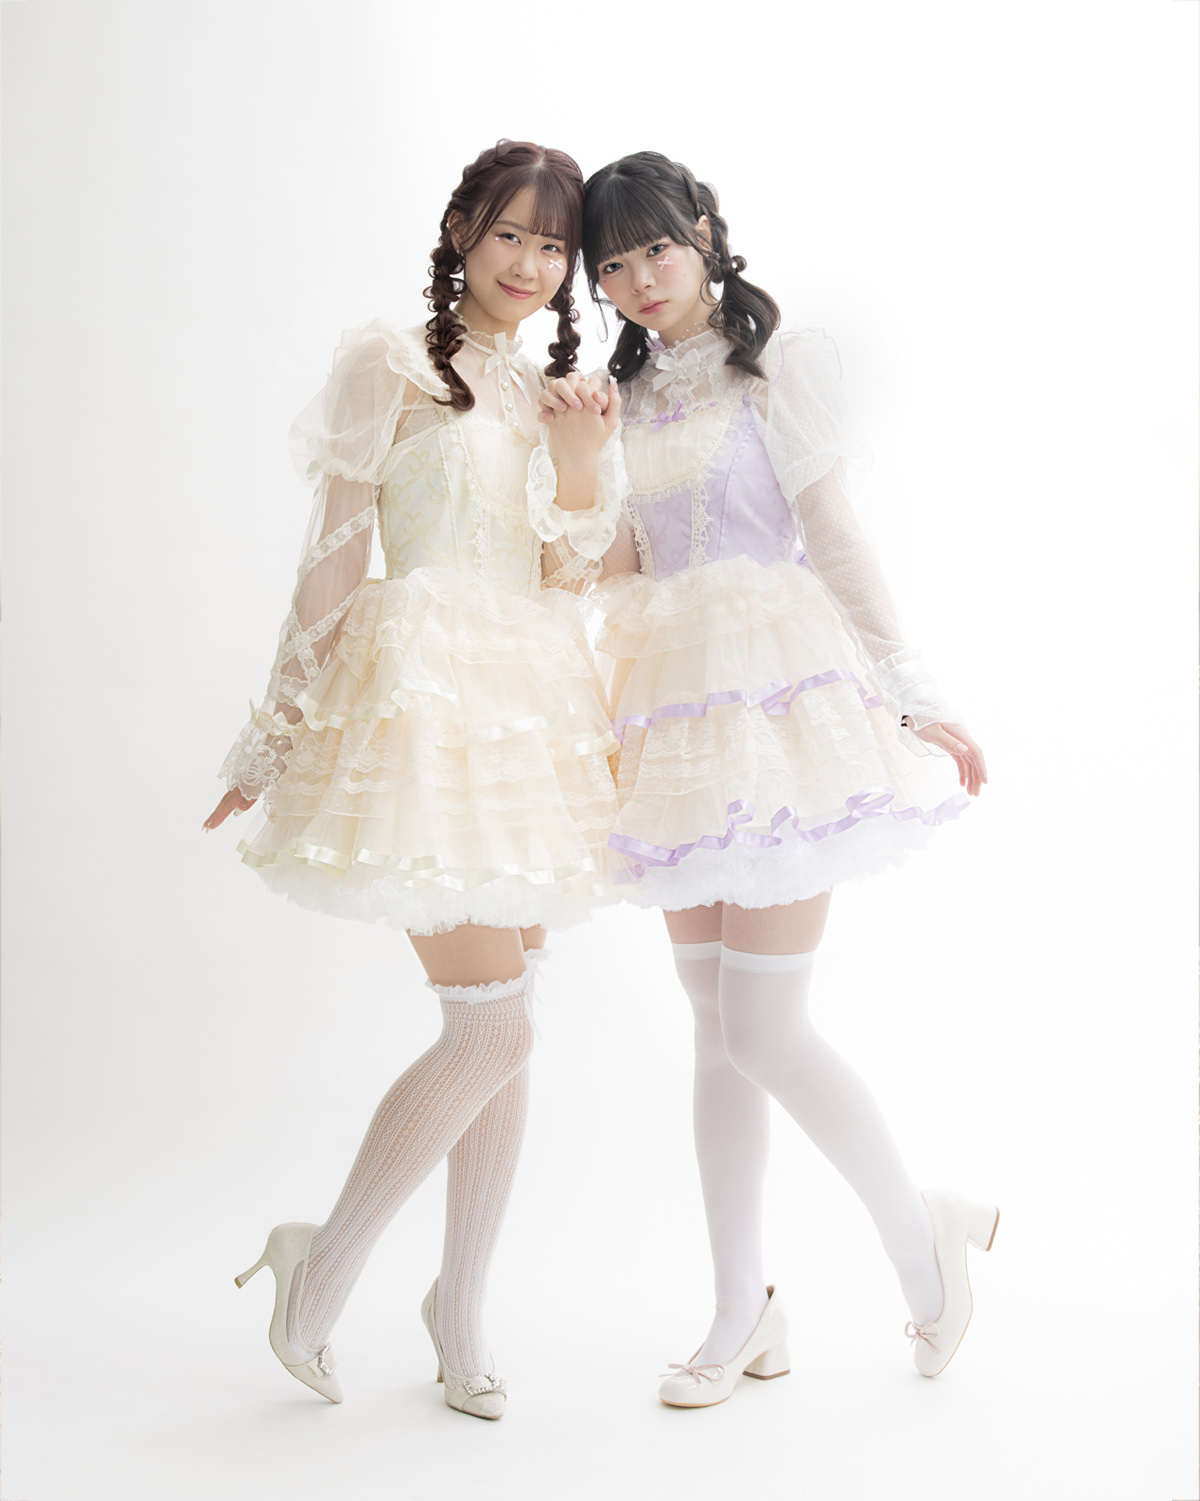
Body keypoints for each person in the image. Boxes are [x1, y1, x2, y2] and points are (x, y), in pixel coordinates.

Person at [539, 150, 996, 1409]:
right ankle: (743, 1307)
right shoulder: (624, 401)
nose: (640, 279)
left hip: (781, 705)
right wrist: (578, 461)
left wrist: (915, 688)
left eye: (657, 248)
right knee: (717, 1031)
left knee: (762, 1026)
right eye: (613, 263)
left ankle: (921, 1236)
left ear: (704, 231)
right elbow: (608, 569)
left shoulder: (775, 370)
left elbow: (835, 533)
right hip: (674, 714)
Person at [203, 140, 623, 1419]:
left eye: (554, 245)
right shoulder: (389, 360)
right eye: (511, 234)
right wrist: (274, 731)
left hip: (527, 704)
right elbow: (333, 556)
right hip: (425, 695)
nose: (531, 264)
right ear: (460, 229)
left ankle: (461, 1312)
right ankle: (321, 1266)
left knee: (507, 1025)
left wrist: (584, 456)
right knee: (494, 1023)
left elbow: (569, 572)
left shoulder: (546, 389)